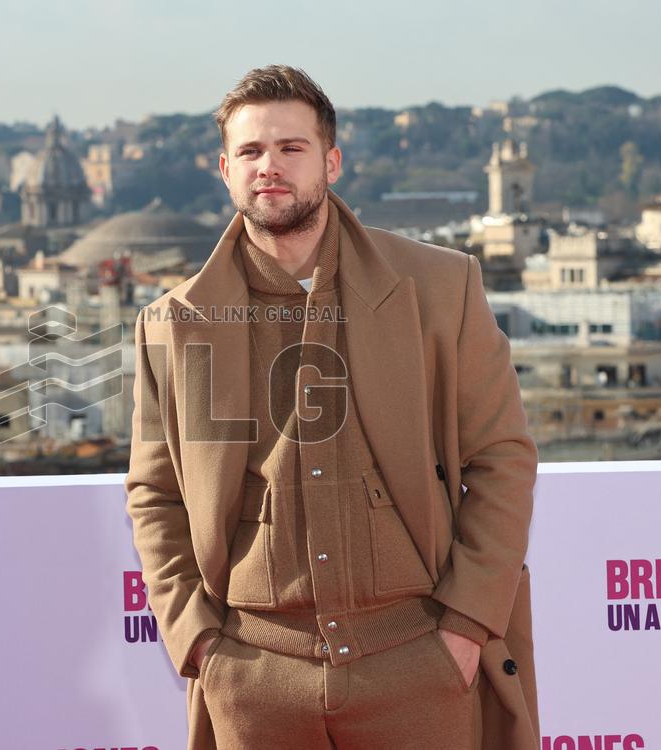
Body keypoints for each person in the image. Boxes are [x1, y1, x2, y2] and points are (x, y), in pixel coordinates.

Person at [124, 64, 539, 750]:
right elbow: (156, 492)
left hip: (418, 666)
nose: (270, 167)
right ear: (226, 170)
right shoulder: (175, 323)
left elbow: (502, 460)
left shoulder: (441, 287)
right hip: (254, 683)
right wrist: (197, 641)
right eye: (252, 152)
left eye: (292, 148)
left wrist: (465, 628)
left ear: (331, 162)